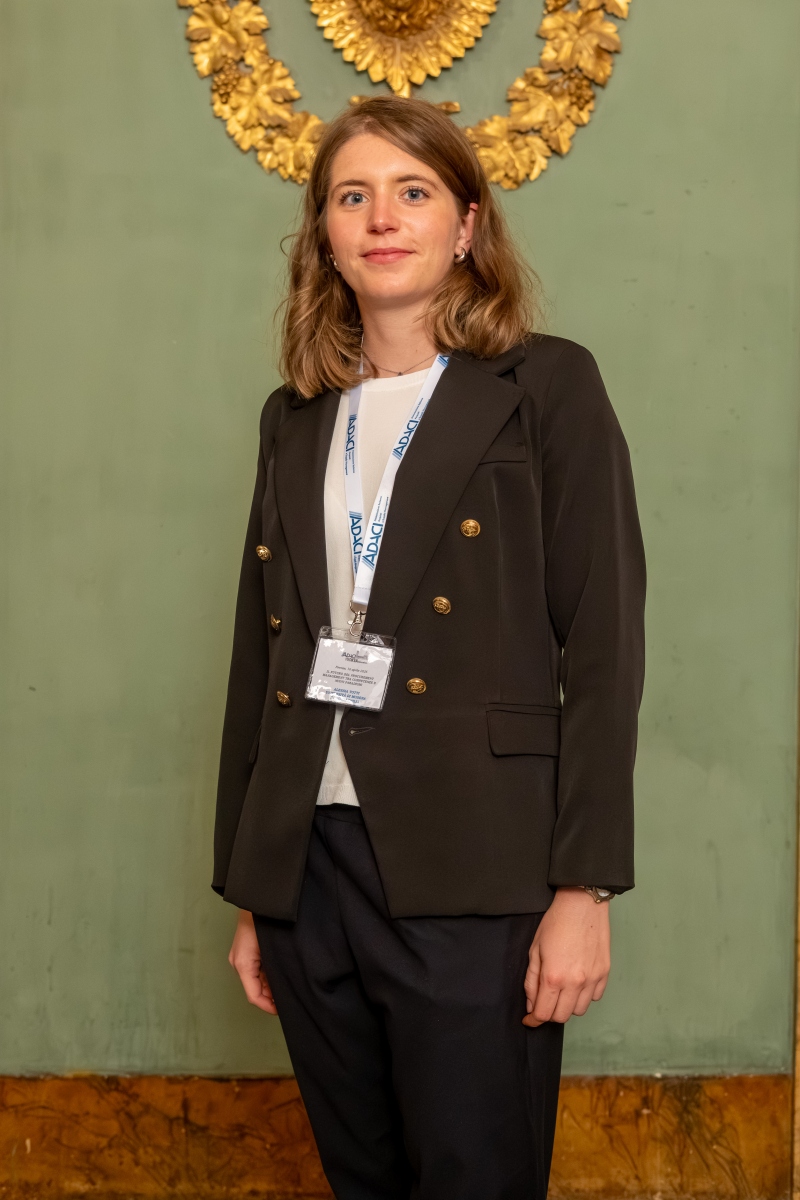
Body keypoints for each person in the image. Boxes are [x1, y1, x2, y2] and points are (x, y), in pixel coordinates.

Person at [214, 94, 645, 1200]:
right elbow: (261, 656)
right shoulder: (295, 414)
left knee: (474, 1177)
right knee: (363, 1179)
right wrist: (253, 885)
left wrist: (584, 888)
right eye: (350, 196)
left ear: (466, 226)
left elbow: (602, 643)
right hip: (308, 866)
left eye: (412, 192)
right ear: (323, 234)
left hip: (475, 858)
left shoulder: (546, 385)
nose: (380, 218)